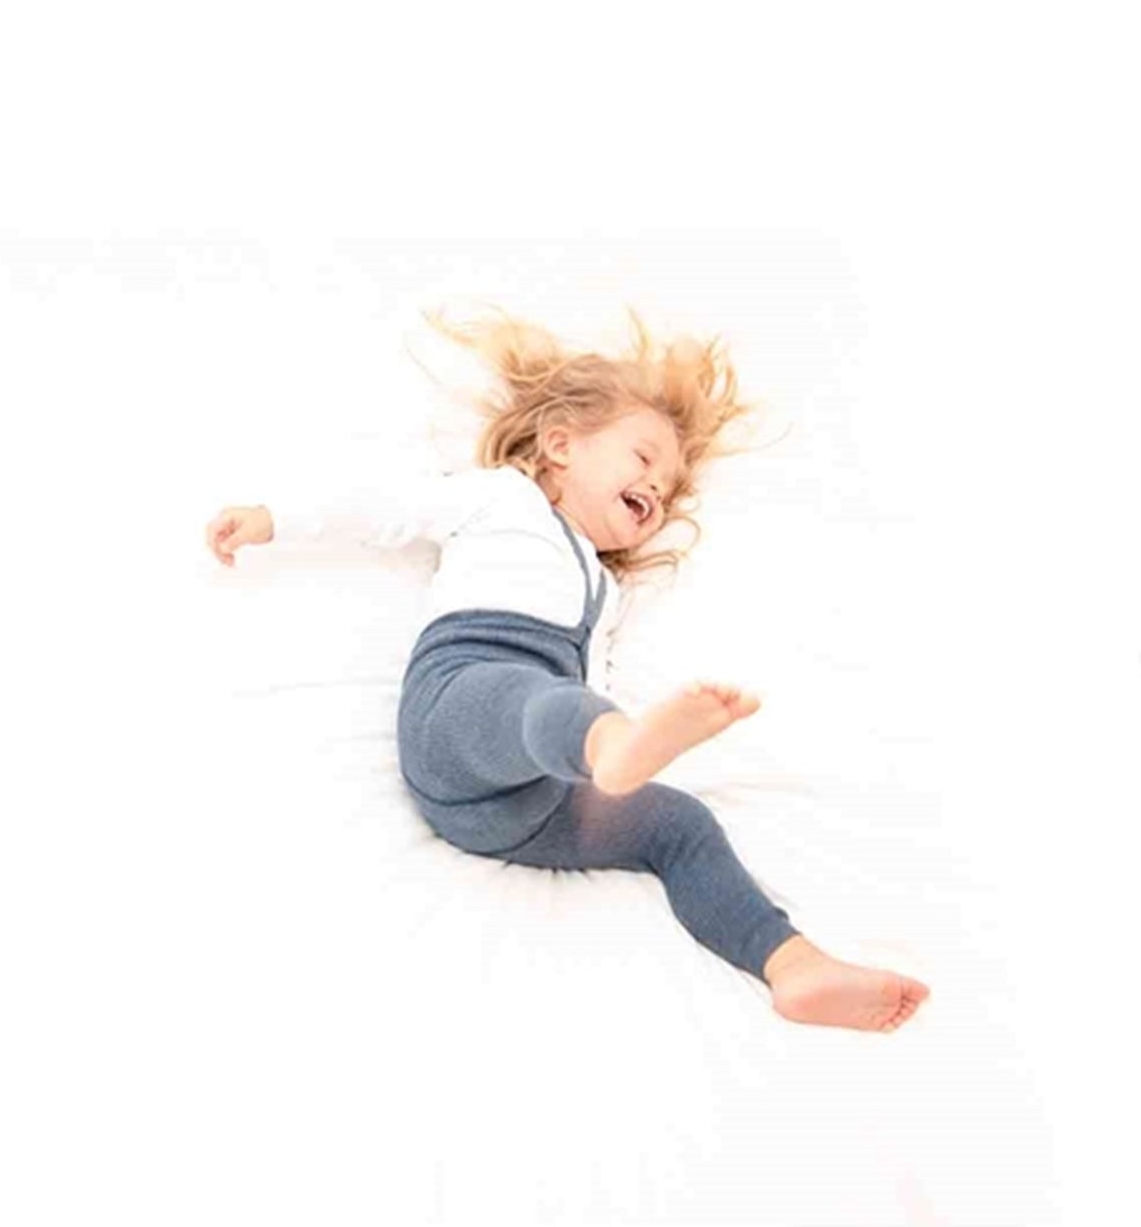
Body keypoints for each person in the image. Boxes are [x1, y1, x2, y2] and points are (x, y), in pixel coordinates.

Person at [203, 304, 930, 1033]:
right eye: (643, 459)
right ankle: (614, 748)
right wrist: (275, 519)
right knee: (543, 703)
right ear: (560, 445)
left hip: (528, 805)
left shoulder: (607, 589)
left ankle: (791, 964)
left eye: (669, 488)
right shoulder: (499, 497)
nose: (657, 491)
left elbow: (589, 682)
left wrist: (605, 754)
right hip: (460, 703)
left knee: (679, 825)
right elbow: (385, 507)